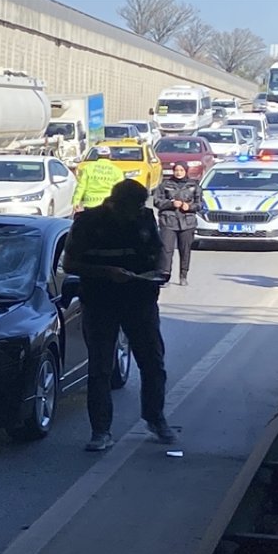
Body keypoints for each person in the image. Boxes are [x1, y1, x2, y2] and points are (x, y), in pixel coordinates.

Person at [63, 179, 177, 452]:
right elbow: (70, 264)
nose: (138, 212)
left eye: (141, 207)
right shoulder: (88, 222)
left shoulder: (144, 217)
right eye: (132, 207)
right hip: (101, 301)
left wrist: (161, 271)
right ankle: (100, 431)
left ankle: (155, 417)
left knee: (153, 362)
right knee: (101, 368)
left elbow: (159, 251)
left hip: (140, 300)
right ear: (114, 204)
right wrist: (107, 272)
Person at [152, 162, 202, 286]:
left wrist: (189, 207)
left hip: (187, 223)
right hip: (169, 221)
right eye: (176, 170)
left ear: (186, 171)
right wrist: (170, 204)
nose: (178, 173)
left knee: (185, 250)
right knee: (166, 250)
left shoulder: (193, 186)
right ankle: (165, 275)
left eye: (181, 170)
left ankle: (183, 275)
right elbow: (157, 201)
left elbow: (200, 204)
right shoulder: (165, 185)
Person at [72, 146, 122, 212]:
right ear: (110, 156)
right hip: (107, 206)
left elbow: (81, 187)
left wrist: (76, 201)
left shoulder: (88, 168)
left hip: (90, 204)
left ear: (97, 155)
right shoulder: (117, 171)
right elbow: (120, 191)